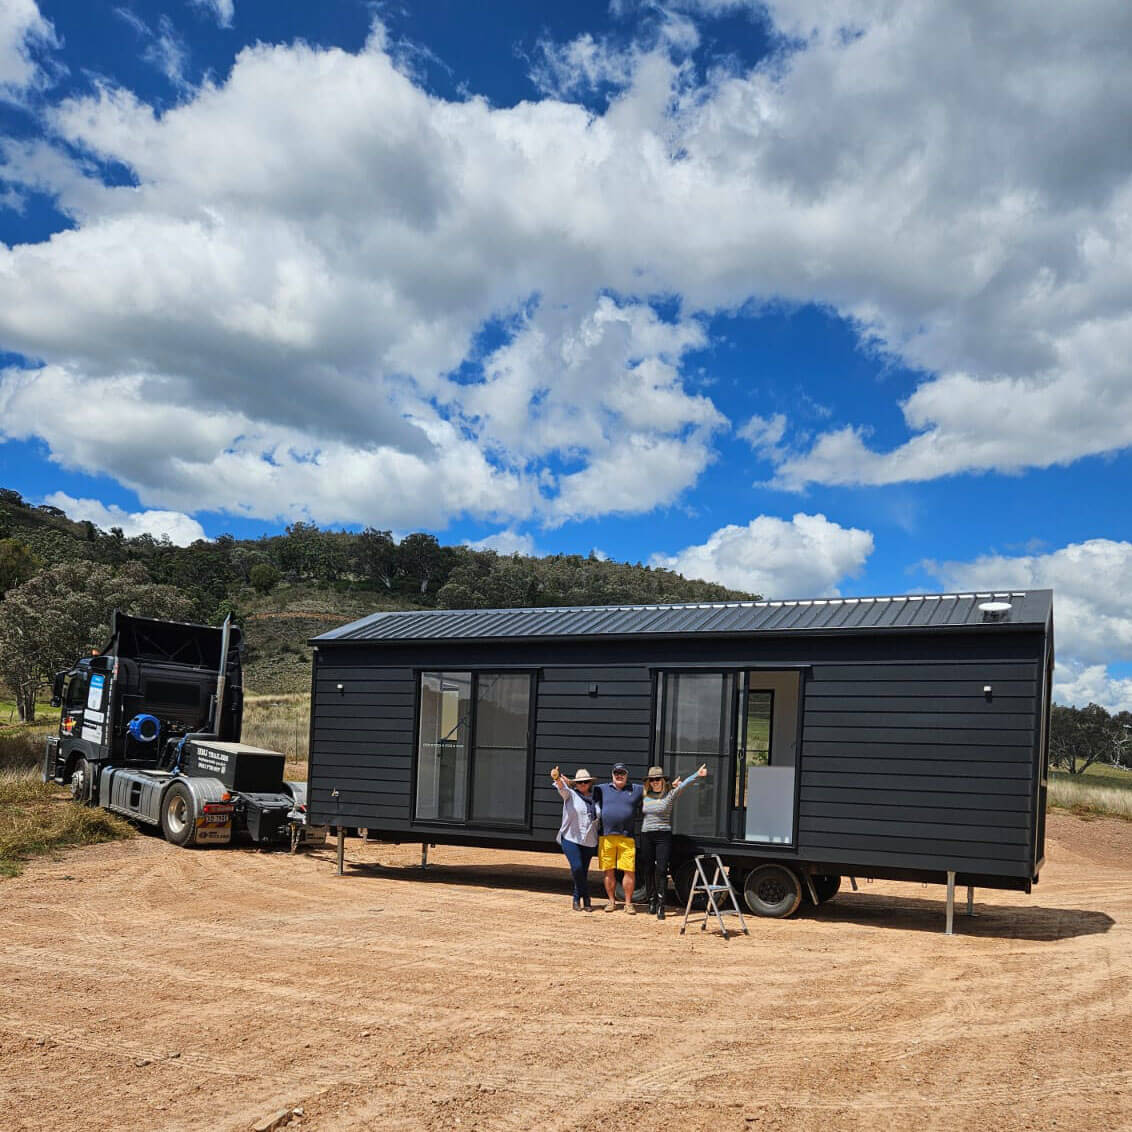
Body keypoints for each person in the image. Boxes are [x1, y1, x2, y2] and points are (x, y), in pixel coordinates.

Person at [639, 763, 708, 919]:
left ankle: (661, 905)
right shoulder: (645, 794)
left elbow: (684, 785)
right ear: (649, 782)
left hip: (663, 835)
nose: (655, 781)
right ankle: (651, 900)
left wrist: (697, 774)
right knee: (648, 868)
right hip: (646, 835)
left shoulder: (670, 795)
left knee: (662, 869)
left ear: (662, 780)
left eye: (658, 779)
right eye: (652, 779)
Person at [595, 762, 643, 913]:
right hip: (607, 837)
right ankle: (611, 902)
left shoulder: (635, 789)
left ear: (627, 775)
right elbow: (582, 787)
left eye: (622, 773)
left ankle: (628, 904)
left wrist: (673, 786)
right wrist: (562, 781)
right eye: (617, 773)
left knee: (629, 870)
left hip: (627, 837)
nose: (619, 776)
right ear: (612, 775)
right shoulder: (601, 789)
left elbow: (656, 790)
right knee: (608, 870)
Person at [550, 766, 599, 911]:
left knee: (583, 871)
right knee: (577, 868)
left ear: (590, 783)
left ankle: (577, 898)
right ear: (575, 784)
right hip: (571, 837)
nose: (582, 785)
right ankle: (587, 897)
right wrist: (557, 778)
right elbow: (561, 788)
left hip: (589, 839)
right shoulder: (570, 794)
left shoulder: (596, 798)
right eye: (579, 782)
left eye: (585, 782)